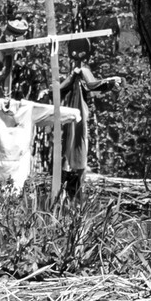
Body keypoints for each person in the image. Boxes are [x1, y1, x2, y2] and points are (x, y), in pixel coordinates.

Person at [59, 52, 122, 198]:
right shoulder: (81, 74)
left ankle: (73, 185)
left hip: (78, 119)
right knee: (74, 142)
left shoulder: (83, 74)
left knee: (78, 142)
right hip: (74, 120)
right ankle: (69, 183)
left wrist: (109, 83)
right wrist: (110, 82)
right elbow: (91, 85)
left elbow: (92, 85)